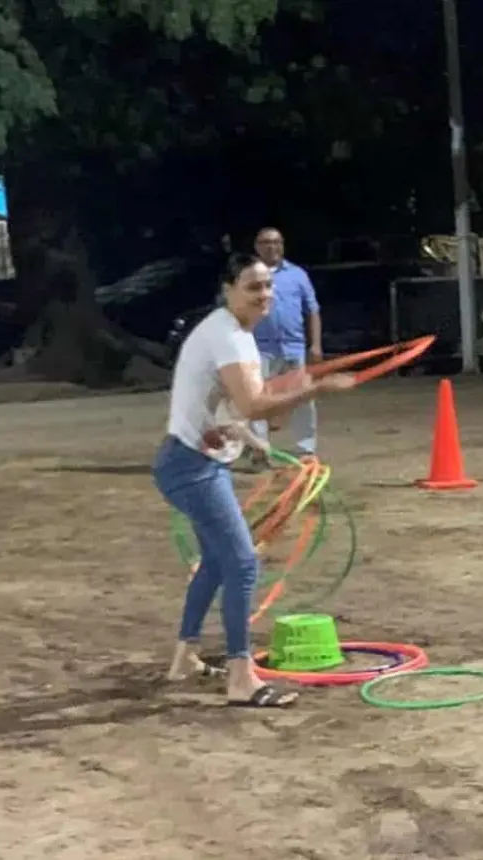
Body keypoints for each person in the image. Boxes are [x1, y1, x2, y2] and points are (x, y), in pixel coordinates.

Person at [152, 253, 356, 708]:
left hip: (192, 462)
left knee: (218, 562)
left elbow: (242, 409)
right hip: (191, 467)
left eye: (268, 287)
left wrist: (261, 438)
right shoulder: (229, 337)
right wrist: (318, 389)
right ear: (228, 289)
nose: (265, 295)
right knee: (242, 562)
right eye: (253, 287)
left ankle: (185, 657)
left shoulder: (229, 332)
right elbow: (253, 405)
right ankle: (242, 677)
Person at [249, 227, 323, 461]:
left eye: (277, 242)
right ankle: (260, 450)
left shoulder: (298, 274)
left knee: (302, 399)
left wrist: (316, 344)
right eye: (266, 242)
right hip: (259, 348)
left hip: (294, 348)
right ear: (257, 246)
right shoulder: (247, 275)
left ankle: (306, 449)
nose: (272, 247)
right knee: (258, 400)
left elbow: (312, 311)